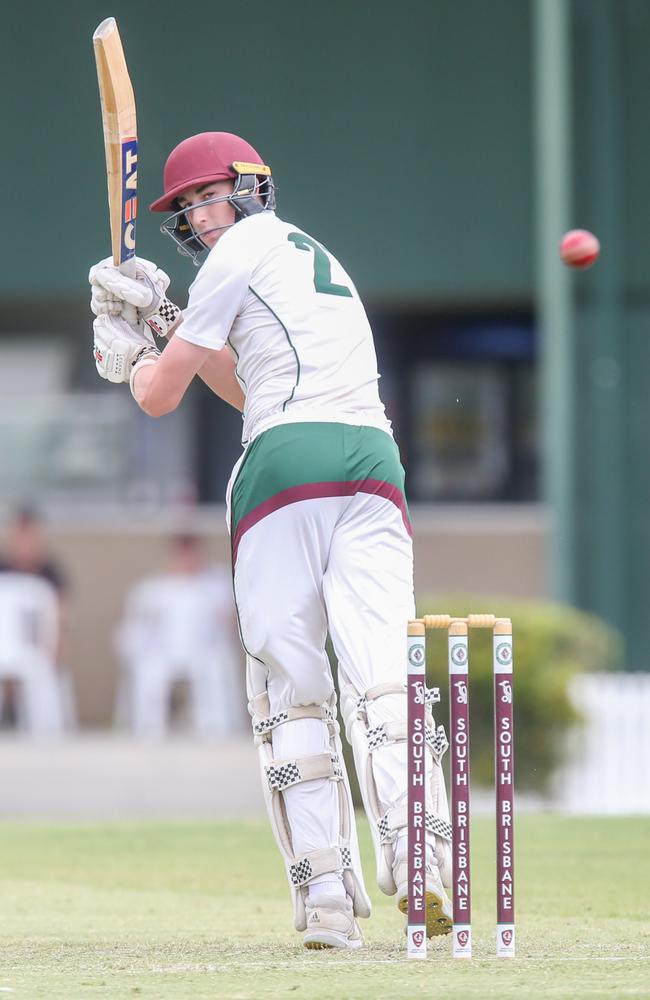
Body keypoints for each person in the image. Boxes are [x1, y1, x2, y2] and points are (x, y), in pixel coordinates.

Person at [88, 131, 452, 950]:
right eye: (182, 212)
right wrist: (168, 322)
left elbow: (157, 397)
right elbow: (244, 380)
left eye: (198, 201)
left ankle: (326, 896)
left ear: (245, 189)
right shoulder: (308, 252)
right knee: (385, 674)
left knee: (290, 687)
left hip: (286, 464)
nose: (194, 222)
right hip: (374, 463)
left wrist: (128, 351)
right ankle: (424, 861)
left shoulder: (237, 248)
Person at [114, 533, 243, 738]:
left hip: (206, 652)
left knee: (213, 668)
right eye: (182, 554)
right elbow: (136, 626)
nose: (186, 560)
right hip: (163, 653)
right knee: (151, 670)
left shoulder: (216, 583)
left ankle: (216, 729)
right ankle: (148, 729)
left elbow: (232, 621)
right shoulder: (154, 588)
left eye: (190, 553)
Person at [0, 505, 72, 731]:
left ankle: (36, 717)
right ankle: (11, 707)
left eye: (29, 536)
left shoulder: (50, 571)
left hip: (37, 643)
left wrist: (55, 644)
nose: (25, 543)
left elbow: (60, 614)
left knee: (42, 659)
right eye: (20, 536)